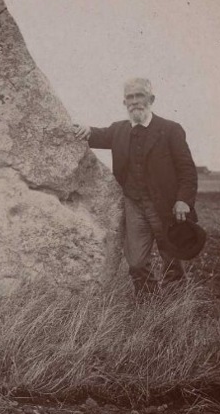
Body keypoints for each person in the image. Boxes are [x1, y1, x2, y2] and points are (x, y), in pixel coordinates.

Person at [73, 78, 198, 295]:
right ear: (124, 102)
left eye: (139, 95)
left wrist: (182, 200)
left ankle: (175, 307)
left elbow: (187, 170)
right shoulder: (118, 130)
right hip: (135, 206)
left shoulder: (170, 130)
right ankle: (149, 304)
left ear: (151, 99)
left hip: (166, 207)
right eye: (129, 97)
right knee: (137, 263)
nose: (134, 101)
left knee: (172, 261)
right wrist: (85, 130)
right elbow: (97, 134)